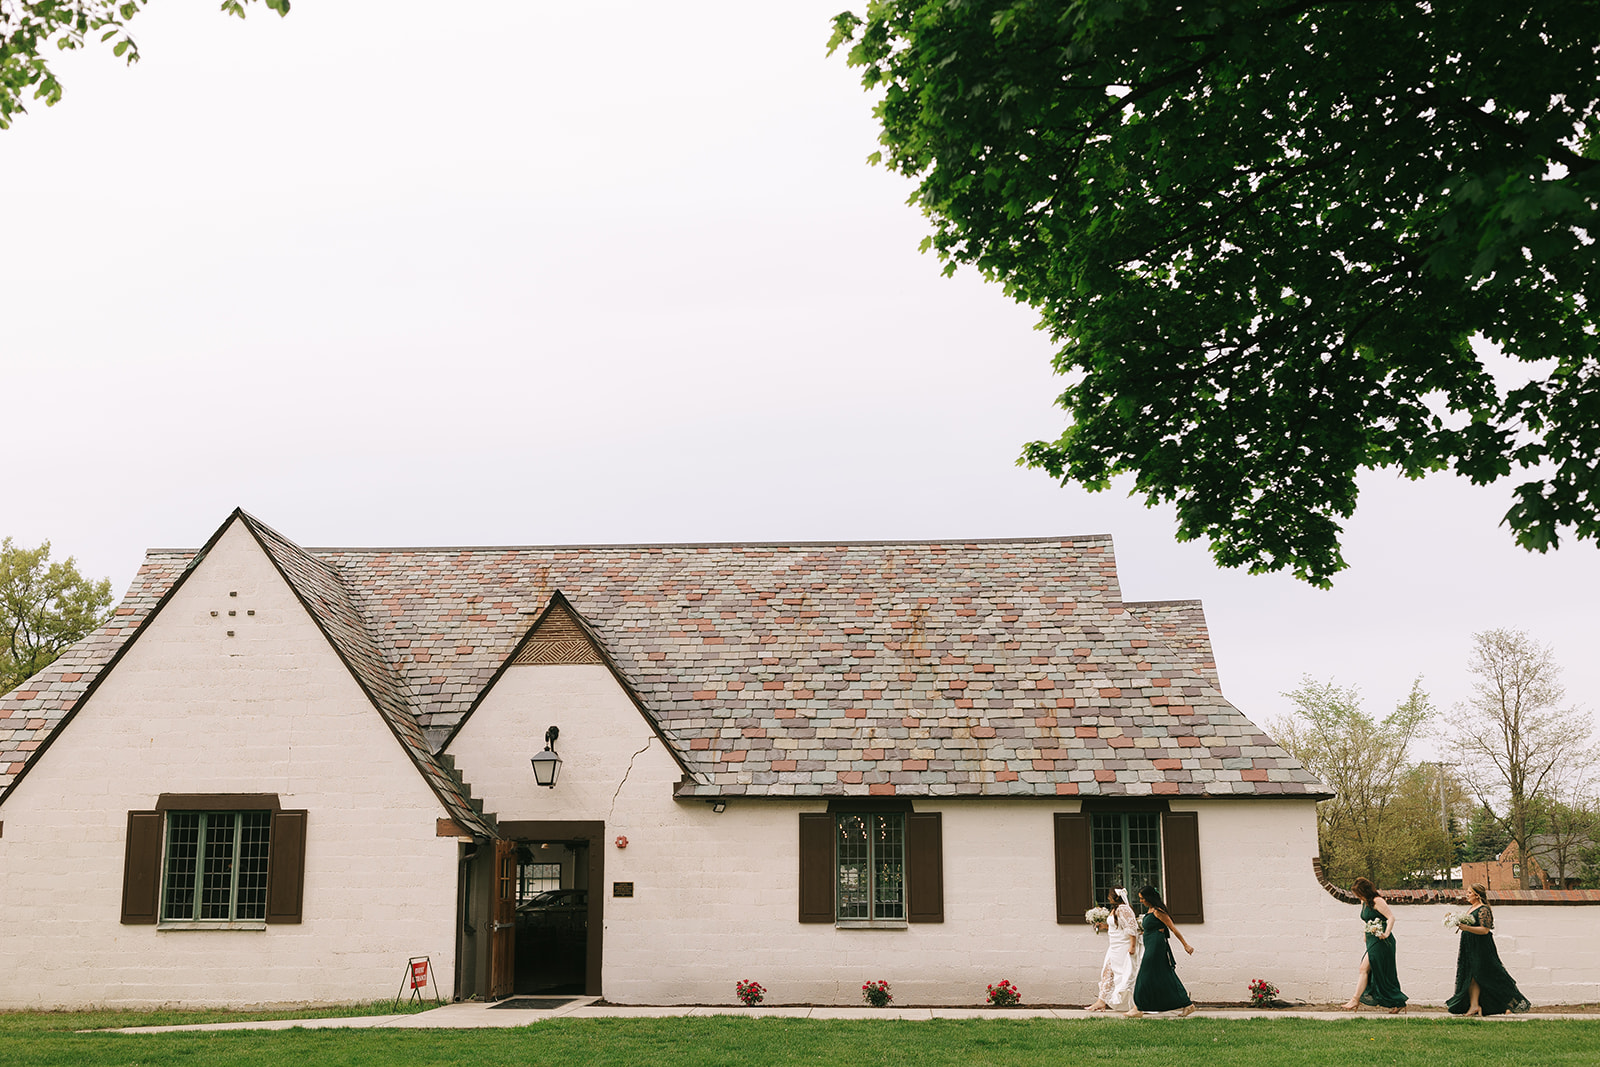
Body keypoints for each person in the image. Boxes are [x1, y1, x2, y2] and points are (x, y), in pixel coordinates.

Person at [1446, 883, 1531, 1017]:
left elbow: (1485, 930)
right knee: (1471, 976)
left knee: (1489, 974)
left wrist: (1467, 928)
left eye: (1469, 893)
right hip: (1469, 946)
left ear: (1477, 895)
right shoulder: (1471, 908)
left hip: (1481, 947)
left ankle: (1510, 1003)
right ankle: (1474, 1006)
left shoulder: (1483, 909)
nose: (1466, 895)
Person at [1340, 876, 1408, 1014]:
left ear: (1365, 891)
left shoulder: (1377, 901)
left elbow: (1391, 917)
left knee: (1365, 968)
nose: (1357, 896)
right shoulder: (1363, 902)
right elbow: (1367, 920)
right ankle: (1398, 1002)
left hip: (1382, 940)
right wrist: (1365, 934)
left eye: (1359, 893)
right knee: (1376, 972)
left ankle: (1355, 1000)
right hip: (1372, 940)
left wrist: (1386, 933)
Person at [1127, 885, 1196, 1018]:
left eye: (1142, 898)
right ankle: (1188, 1005)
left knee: (1144, 975)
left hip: (1156, 947)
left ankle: (1138, 1008)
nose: (1140, 901)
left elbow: (1173, 928)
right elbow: (1151, 927)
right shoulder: (1150, 910)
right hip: (1150, 944)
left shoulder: (1158, 911)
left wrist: (1185, 945)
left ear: (1149, 898)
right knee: (1166, 975)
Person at [1085, 888, 1142, 1012]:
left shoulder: (1123, 909)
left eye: (1109, 896)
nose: (1108, 898)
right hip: (1114, 946)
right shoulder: (1115, 909)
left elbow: (1131, 927)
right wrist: (1104, 926)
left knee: (1123, 973)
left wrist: (1132, 946)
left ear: (1114, 897)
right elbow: (1117, 926)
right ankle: (1101, 1001)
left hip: (1123, 947)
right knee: (1107, 972)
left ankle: (1136, 1003)